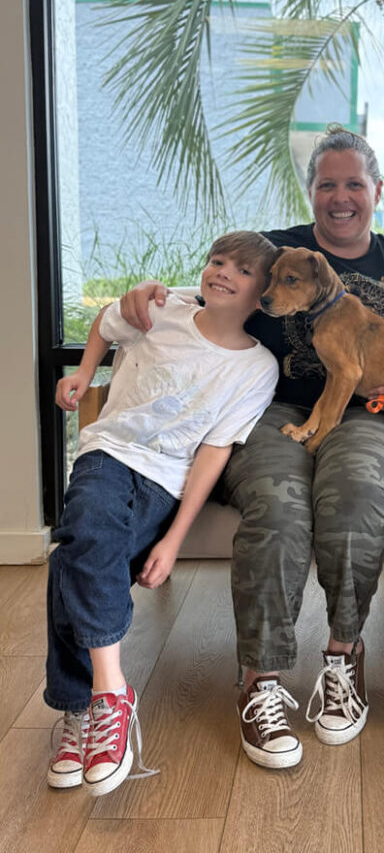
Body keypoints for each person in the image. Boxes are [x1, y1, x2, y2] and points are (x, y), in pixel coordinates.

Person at [119, 126, 384, 771]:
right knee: (278, 505)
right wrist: (148, 294)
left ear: (377, 191)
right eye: (327, 184)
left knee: (356, 494)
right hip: (268, 408)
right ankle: (260, 679)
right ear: (310, 191)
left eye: (354, 184)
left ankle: (343, 657)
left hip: (375, 413)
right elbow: (210, 293)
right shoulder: (276, 251)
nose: (340, 197)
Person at [46, 231, 279, 796]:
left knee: (76, 559)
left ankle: (78, 708)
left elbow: (214, 451)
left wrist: (174, 540)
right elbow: (106, 322)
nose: (222, 272)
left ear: (263, 295)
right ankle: (110, 693)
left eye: (241, 270)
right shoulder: (163, 308)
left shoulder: (258, 368)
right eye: (217, 261)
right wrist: (84, 374)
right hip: (107, 453)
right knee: (88, 533)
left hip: (165, 481)